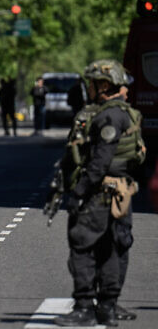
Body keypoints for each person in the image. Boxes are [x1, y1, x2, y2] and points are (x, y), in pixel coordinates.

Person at [54, 60, 145, 327]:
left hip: (101, 192)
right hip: (120, 190)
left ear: (103, 86)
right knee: (112, 248)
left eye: (91, 84)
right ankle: (107, 307)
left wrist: (79, 192)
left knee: (82, 246)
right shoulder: (127, 113)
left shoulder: (107, 116)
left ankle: (85, 307)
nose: (88, 89)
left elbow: (100, 160)